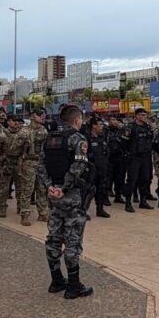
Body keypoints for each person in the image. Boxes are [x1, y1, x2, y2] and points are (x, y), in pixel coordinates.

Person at [38, 104, 93, 298]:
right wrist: (64, 188)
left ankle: (56, 280)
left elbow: (41, 166)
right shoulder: (77, 138)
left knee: (53, 238)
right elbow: (78, 167)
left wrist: (50, 187)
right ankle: (74, 286)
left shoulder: (49, 138)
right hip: (71, 197)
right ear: (77, 119)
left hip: (54, 196)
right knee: (72, 240)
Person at [122, 108, 155, 212]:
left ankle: (143, 201)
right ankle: (128, 203)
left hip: (145, 157)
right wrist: (128, 154)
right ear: (137, 116)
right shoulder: (130, 127)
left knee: (145, 179)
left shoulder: (148, 127)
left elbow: (151, 140)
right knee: (132, 180)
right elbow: (124, 143)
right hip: (134, 157)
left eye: (145, 115)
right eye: (142, 115)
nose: (144, 117)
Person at [0, 115, 24, 219]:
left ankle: (20, 207)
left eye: (17, 121)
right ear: (8, 122)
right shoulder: (2, 135)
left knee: (20, 187)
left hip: (18, 162)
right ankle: (2, 208)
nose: (16, 123)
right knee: (3, 187)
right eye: (14, 121)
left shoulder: (22, 134)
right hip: (6, 162)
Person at [85, 116, 112, 217]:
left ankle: (100, 209)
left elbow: (107, 151)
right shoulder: (87, 138)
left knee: (101, 189)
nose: (102, 127)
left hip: (102, 168)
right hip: (91, 169)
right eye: (100, 124)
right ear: (93, 126)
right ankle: (84, 210)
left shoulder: (102, 137)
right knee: (88, 190)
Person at [107, 116, 127, 203]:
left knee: (120, 177)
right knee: (108, 178)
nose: (115, 122)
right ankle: (105, 197)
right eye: (112, 119)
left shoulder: (121, 130)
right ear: (109, 121)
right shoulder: (105, 131)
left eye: (116, 120)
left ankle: (118, 196)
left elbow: (126, 140)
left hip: (120, 157)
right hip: (109, 157)